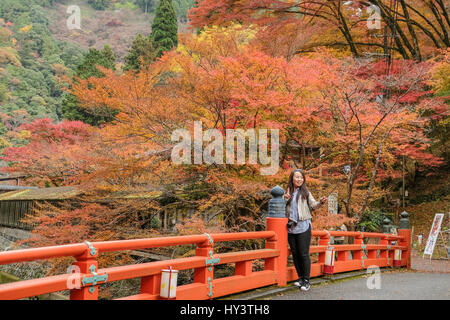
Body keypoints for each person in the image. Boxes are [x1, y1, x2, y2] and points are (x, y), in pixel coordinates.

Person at [284, 169, 327, 291]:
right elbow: (282, 208)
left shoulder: (306, 192)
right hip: (291, 228)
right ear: (292, 178)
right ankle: (300, 278)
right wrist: (285, 199)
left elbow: (313, 205)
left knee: (303, 253)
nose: (299, 179)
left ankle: (307, 280)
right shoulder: (287, 192)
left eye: (301, 177)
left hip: (303, 226)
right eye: (297, 177)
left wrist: (321, 202)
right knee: (295, 254)